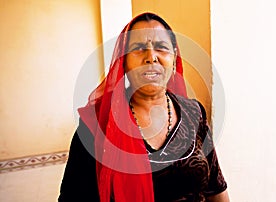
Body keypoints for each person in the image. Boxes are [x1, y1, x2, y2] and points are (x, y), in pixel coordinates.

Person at [59, 12, 229, 202]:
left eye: (161, 48)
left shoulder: (194, 113)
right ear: (123, 61)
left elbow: (216, 187)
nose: (151, 57)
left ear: (174, 57)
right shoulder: (97, 125)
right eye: (139, 48)